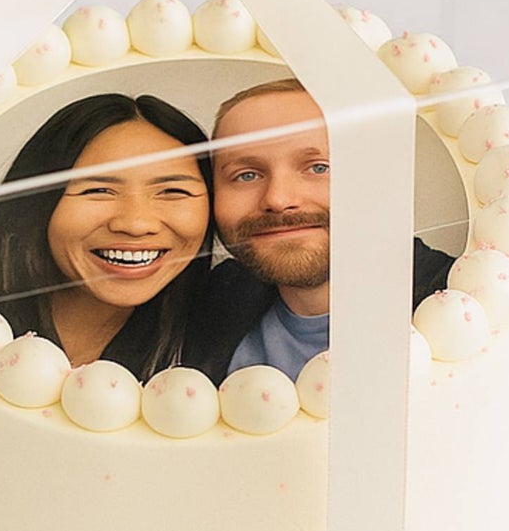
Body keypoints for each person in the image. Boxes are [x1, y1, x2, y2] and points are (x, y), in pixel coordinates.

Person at [183, 78, 453, 383]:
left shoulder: (465, 299)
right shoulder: (210, 299)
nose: (278, 199)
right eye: (246, 175)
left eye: (319, 167)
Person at [0, 93, 212, 381]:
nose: (136, 224)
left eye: (173, 191)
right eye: (98, 190)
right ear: (35, 202)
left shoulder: (221, 342)